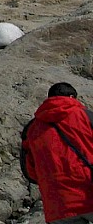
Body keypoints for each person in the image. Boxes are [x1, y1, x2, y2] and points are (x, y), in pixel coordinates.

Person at [21, 82, 93, 223]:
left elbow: (29, 172)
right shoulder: (86, 116)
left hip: (56, 206)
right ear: (72, 97)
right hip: (88, 197)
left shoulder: (31, 129)